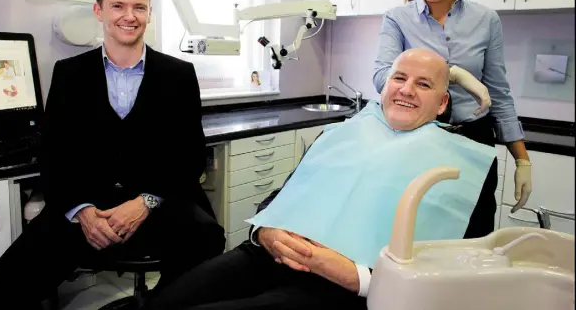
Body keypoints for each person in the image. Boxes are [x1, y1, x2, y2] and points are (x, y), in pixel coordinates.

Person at [0, 0, 226, 310]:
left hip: (159, 204)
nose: (129, 16)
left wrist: (145, 202)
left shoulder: (179, 75)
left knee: (205, 240)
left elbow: (189, 156)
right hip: (88, 209)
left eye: (139, 7)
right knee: (12, 276)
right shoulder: (70, 74)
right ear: (99, 11)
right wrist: (82, 211)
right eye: (118, 6)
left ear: (149, 14)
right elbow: (53, 155)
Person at [142, 49, 491, 310]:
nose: (407, 89)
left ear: (443, 102)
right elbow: (285, 194)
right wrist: (265, 231)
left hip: (338, 287)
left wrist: (359, 278)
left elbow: (458, 269)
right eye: (399, 78)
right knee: (163, 304)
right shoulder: (343, 134)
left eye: (424, 84)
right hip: (268, 254)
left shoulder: (460, 167)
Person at [373, 0, 532, 238]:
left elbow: (498, 93)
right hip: (421, 140)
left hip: (475, 139)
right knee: (421, 237)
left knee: (475, 235)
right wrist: (453, 73)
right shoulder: (398, 18)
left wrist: (522, 159)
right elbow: (382, 77)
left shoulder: (486, 20)